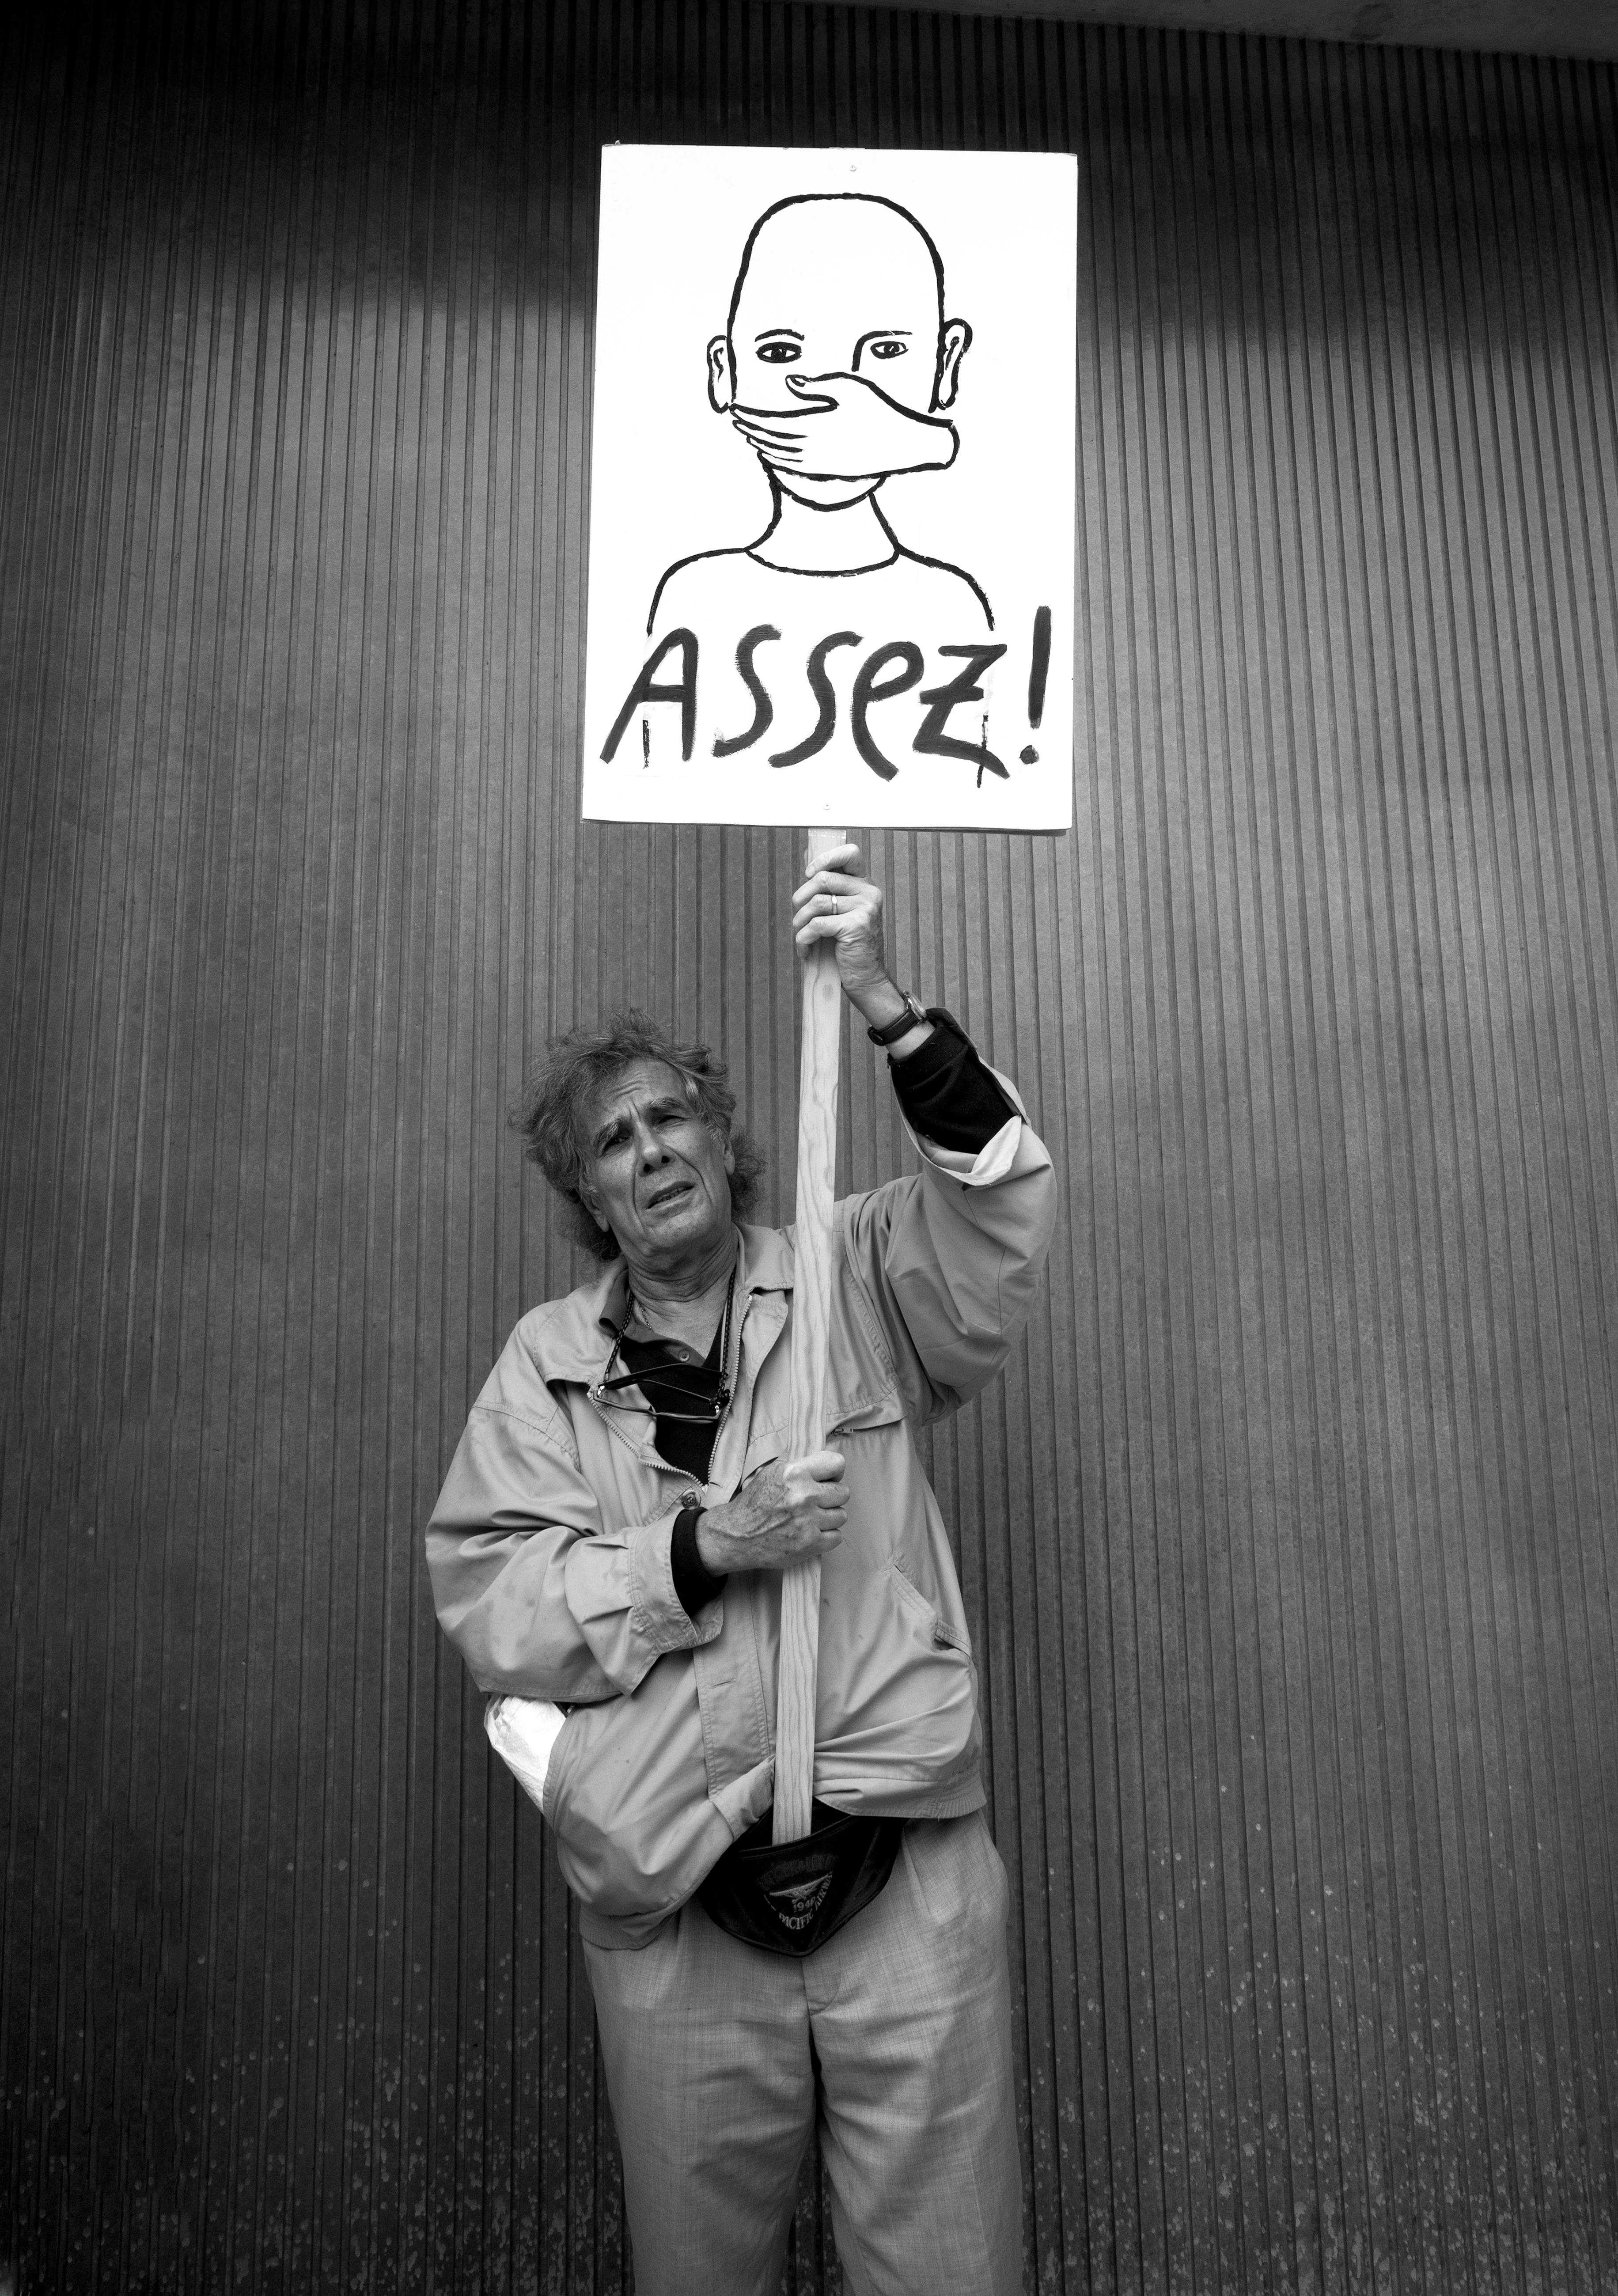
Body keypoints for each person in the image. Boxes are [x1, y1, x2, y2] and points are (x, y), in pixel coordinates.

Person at [426, 845, 1055, 2296]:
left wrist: (891, 1011)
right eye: (611, 1142)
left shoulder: (854, 1270)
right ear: (588, 1194)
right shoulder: (545, 1370)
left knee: (957, 2266)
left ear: (725, 1134)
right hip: (680, 1911)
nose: (648, 1148)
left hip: (904, 1886)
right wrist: (710, 1543)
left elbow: (995, 1212)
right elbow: (497, 1607)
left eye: (669, 1116)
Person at [649, 192, 994, 640]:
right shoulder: (694, 598)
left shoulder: (952, 607)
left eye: (886, 350)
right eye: (780, 353)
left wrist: (932, 444)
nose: (837, 399)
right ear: (724, 370)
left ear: (946, 364)